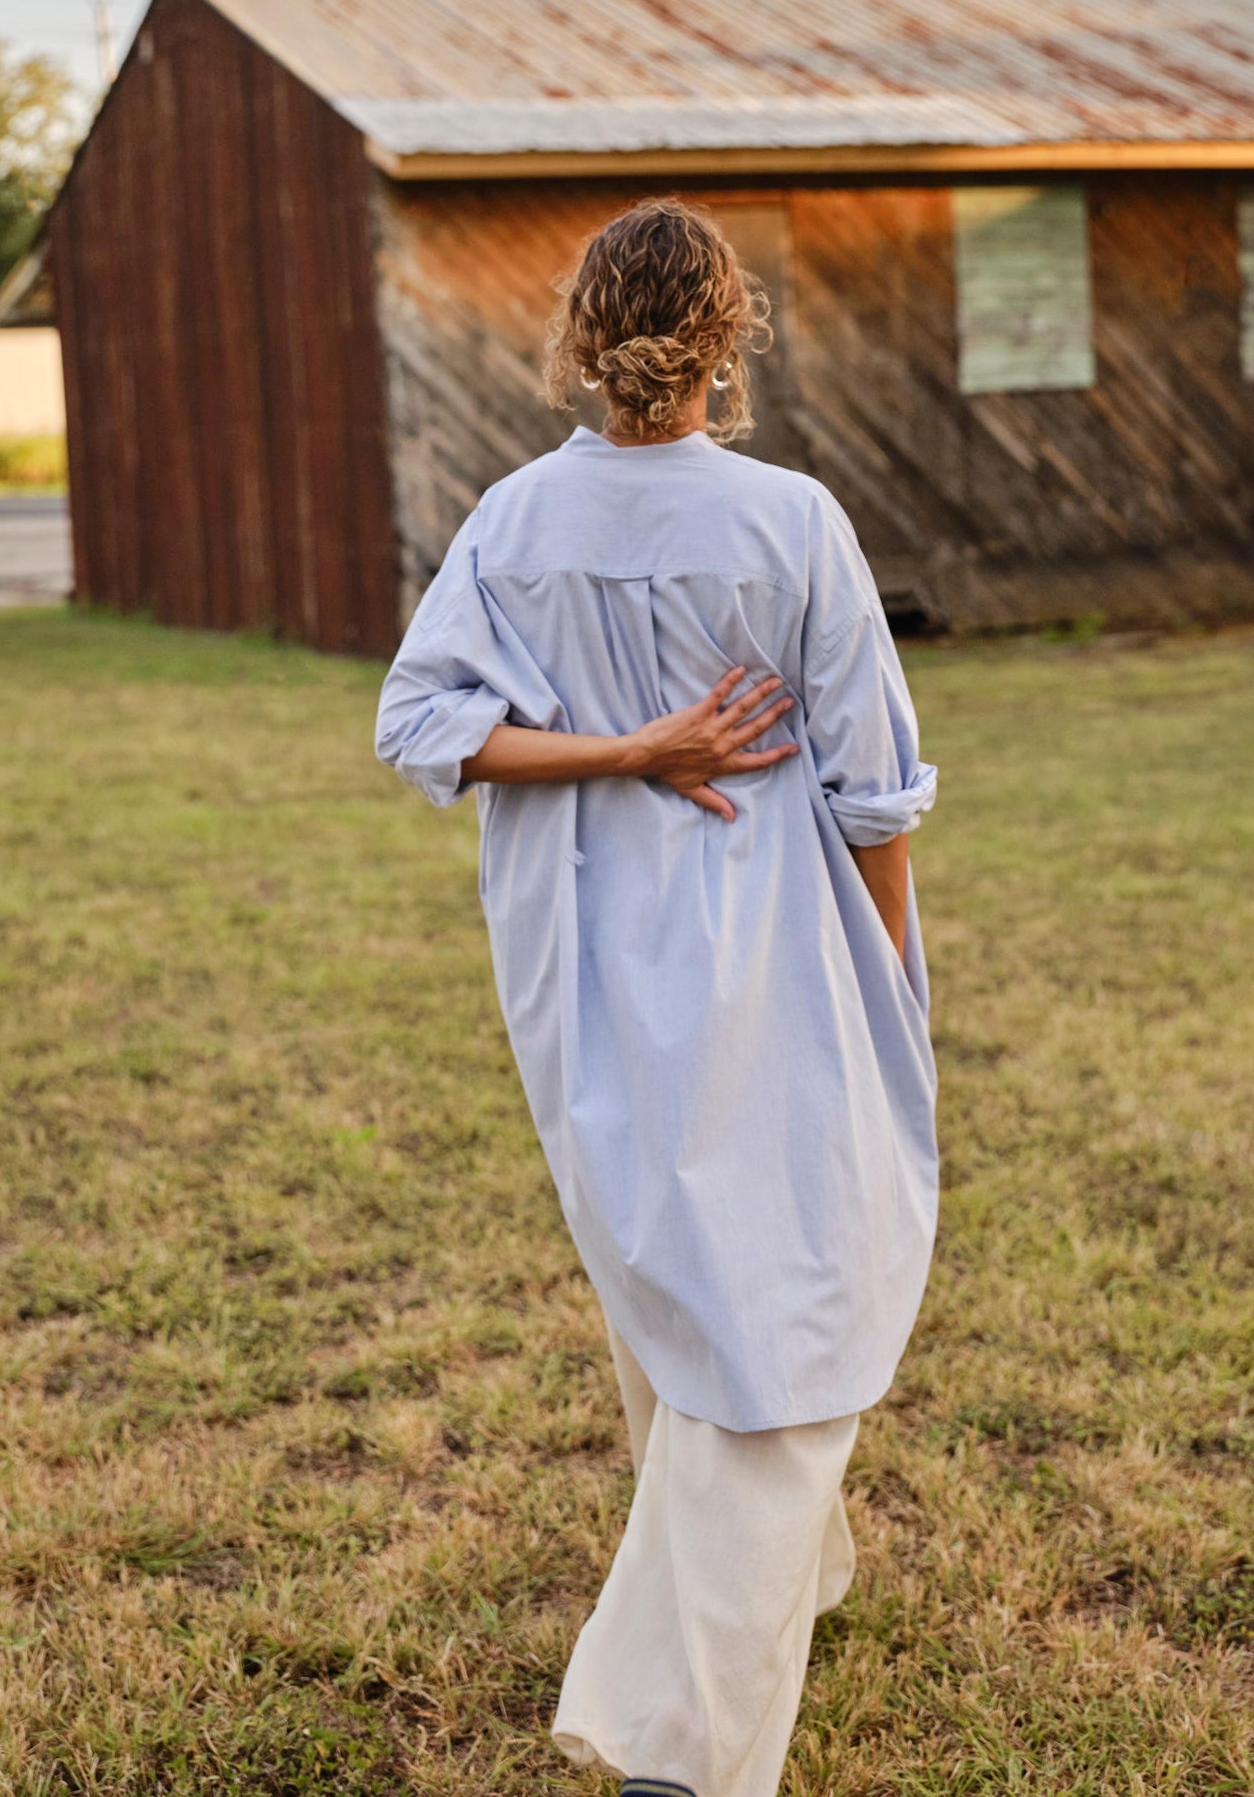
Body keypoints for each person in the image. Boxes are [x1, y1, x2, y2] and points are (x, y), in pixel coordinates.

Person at [375, 197, 938, 1797]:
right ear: (727, 338)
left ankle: (790, 1583)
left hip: (575, 952)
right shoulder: (788, 522)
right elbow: (872, 792)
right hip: (761, 947)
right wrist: (889, 977)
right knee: (788, 1303)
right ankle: (680, 1748)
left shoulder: (512, 520)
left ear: (578, 337)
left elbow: (426, 727)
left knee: (683, 1271)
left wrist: (607, 750)